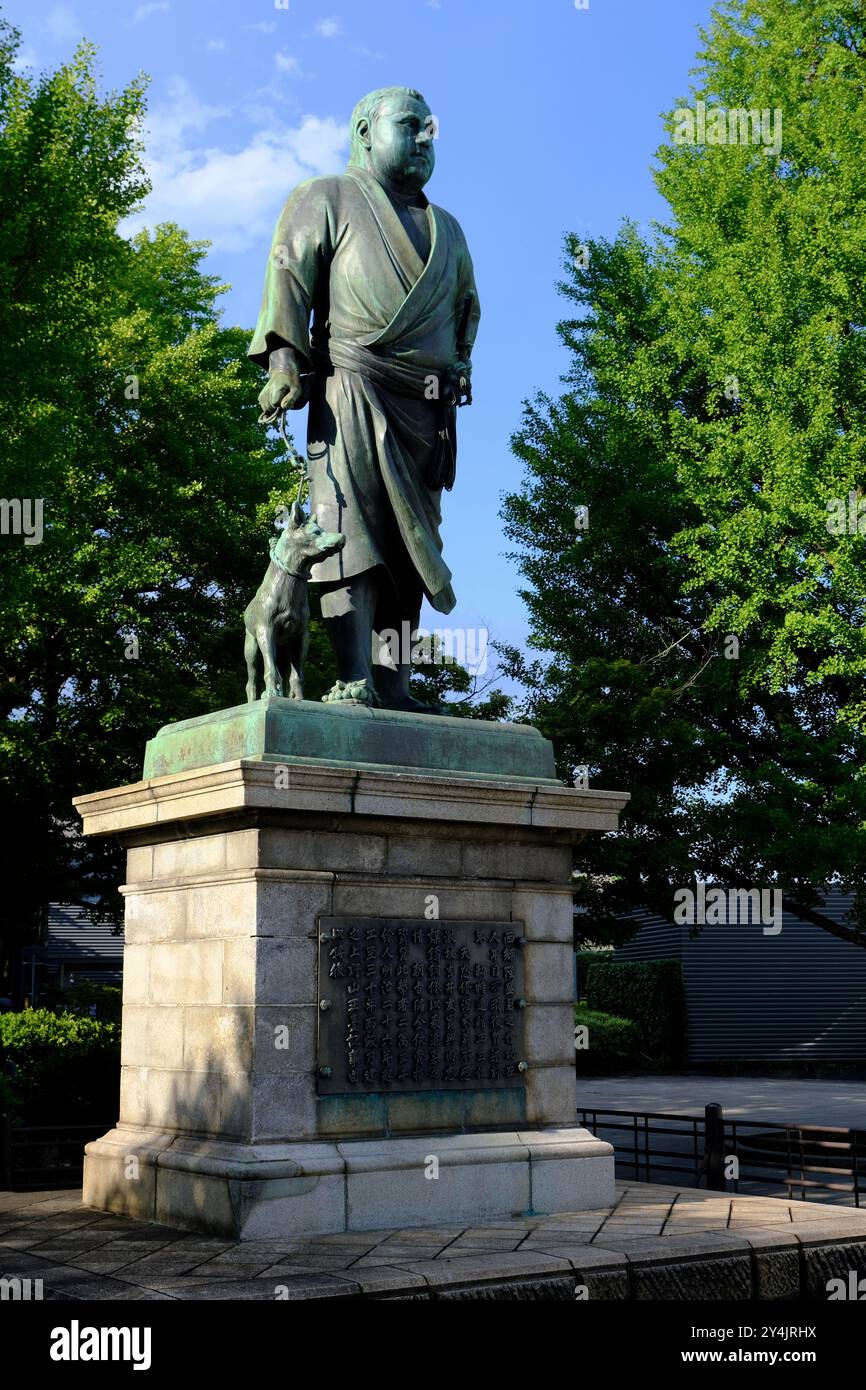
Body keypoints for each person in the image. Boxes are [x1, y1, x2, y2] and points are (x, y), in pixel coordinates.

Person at [248, 85, 480, 710]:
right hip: (349, 385)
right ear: (364, 133)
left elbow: (465, 312)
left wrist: (460, 364)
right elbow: (290, 276)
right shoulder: (325, 197)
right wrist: (284, 360)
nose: (425, 140)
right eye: (410, 126)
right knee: (349, 530)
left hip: (424, 406)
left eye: (431, 130)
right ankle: (355, 676)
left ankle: (396, 684)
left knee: (413, 544)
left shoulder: (449, 231)